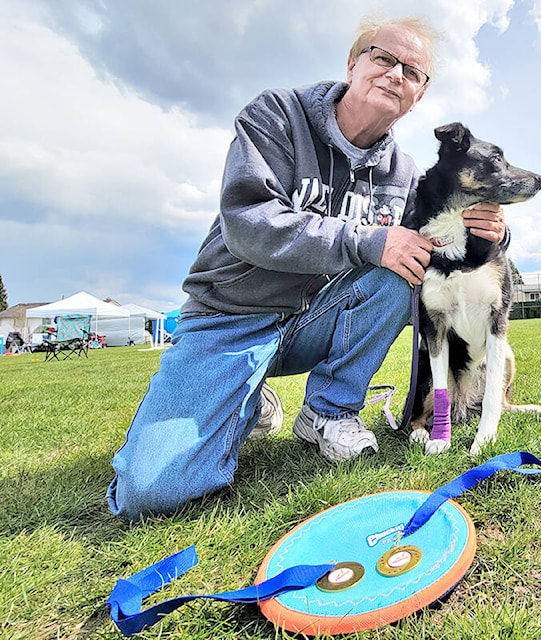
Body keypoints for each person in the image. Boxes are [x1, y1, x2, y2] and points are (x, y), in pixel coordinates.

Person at [107, 17, 508, 521]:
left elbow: (438, 237)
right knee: (152, 493)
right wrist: (367, 239)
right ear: (353, 63)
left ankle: (329, 410)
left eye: (412, 72)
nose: (395, 75)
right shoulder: (276, 115)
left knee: (405, 267)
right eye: (383, 58)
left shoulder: (404, 173)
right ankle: (246, 396)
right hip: (231, 317)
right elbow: (248, 223)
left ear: (419, 95)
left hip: (318, 319)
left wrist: (491, 233)